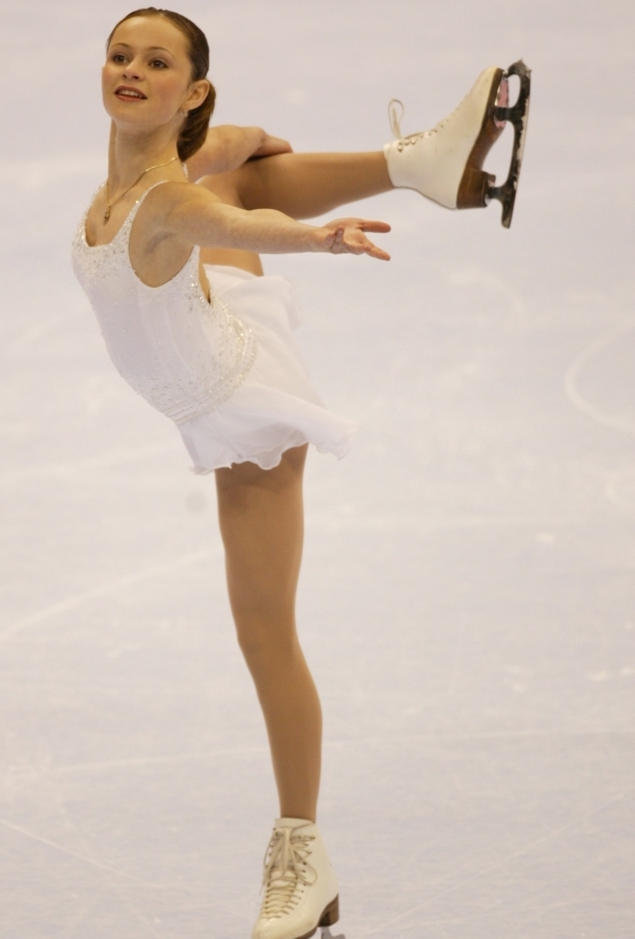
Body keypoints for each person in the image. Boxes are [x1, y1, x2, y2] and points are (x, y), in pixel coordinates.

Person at [71, 9, 522, 939]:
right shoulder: (156, 168)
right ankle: (422, 162)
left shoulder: (168, 202)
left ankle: (301, 854)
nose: (130, 69)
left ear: (188, 89)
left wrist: (317, 239)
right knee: (235, 160)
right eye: (121, 54)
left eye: (157, 62)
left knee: (265, 630)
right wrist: (244, 138)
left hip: (239, 398)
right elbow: (228, 159)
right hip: (216, 307)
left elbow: (233, 218)